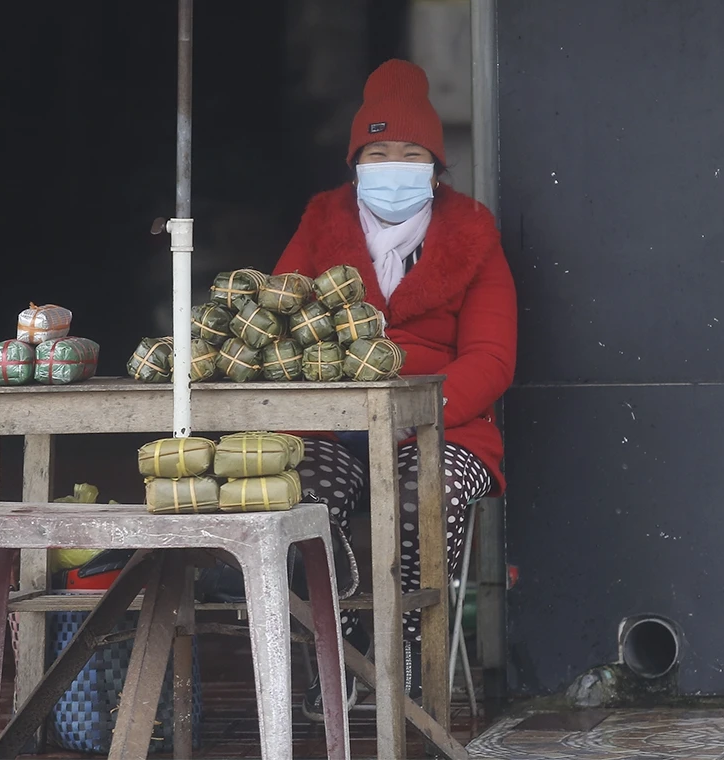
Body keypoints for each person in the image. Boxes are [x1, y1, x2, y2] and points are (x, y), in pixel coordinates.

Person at [272, 59, 517, 719]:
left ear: (436, 169)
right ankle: (340, 649)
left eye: (410, 154)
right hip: (334, 424)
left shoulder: (471, 233)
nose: (393, 165)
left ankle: (409, 649)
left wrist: (418, 413)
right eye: (377, 152)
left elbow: (492, 358)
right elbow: (278, 324)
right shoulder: (322, 224)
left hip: (444, 425)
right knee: (302, 493)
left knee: (420, 490)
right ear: (355, 163)